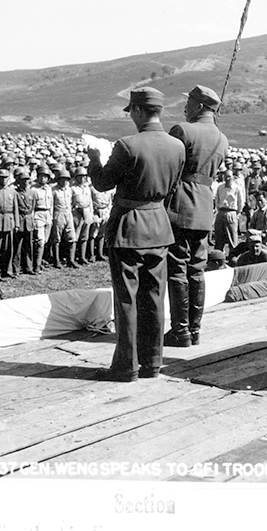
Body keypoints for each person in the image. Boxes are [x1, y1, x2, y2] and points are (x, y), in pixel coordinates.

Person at [88, 87, 185, 381]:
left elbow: (103, 183)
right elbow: (173, 187)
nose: (131, 117)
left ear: (140, 111)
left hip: (128, 229)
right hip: (159, 227)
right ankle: (152, 363)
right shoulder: (177, 146)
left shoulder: (126, 145)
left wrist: (94, 158)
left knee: (127, 300)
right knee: (154, 297)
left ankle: (126, 367)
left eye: (131, 111)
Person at [164, 85, 229, 347]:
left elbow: (168, 166)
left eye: (189, 101)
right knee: (197, 268)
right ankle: (194, 329)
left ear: (200, 106)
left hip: (181, 204)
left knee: (177, 267)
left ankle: (180, 332)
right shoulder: (222, 139)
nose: (185, 106)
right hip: (204, 208)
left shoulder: (183, 130)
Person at [214, 166, 245, 253]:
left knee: (232, 237)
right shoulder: (220, 187)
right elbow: (217, 200)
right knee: (219, 236)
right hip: (221, 212)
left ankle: (233, 256)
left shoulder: (237, 188)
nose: (227, 178)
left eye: (229, 176)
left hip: (231, 213)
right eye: (226, 176)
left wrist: (236, 214)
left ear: (233, 177)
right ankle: (218, 255)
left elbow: (240, 203)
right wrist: (218, 210)